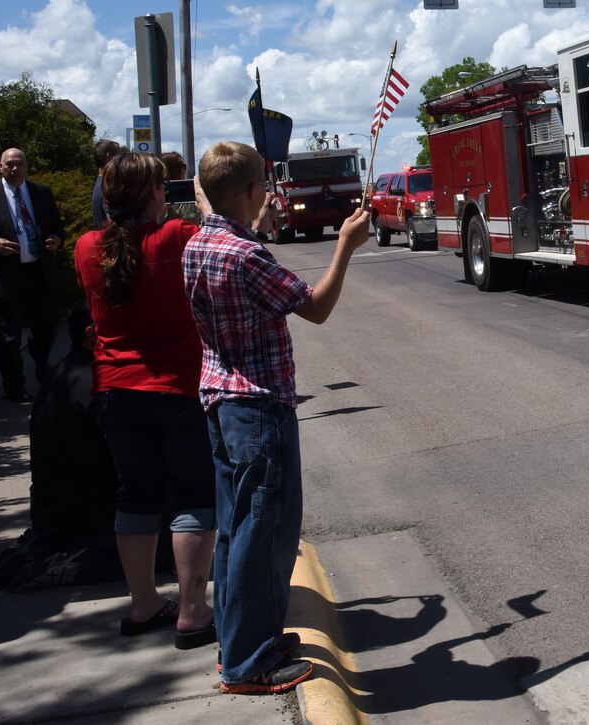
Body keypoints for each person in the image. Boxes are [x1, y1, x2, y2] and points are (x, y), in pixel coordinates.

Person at [183, 141, 369, 695]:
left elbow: (213, 208)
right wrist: (345, 245)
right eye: (262, 184)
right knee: (261, 533)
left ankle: (242, 639)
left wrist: (244, 214)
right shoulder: (245, 256)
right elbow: (316, 306)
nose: (267, 192)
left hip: (219, 400)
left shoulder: (200, 243)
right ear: (247, 192)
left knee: (234, 528)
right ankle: (247, 662)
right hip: (257, 408)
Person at [74, 152, 217, 650]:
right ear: (153, 193)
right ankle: (194, 610)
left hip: (114, 388)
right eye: (162, 185)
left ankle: (143, 603)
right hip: (175, 387)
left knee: (135, 494)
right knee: (195, 494)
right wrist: (202, 201)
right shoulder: (177, 236)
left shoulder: (87, 246)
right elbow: (218, 257)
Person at [0, 301, 124, 592]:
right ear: (92, 333)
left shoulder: (63, 371)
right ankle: (76, 563)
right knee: (164, 542)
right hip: (90, 521)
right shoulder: (98, 382)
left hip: (54, 514)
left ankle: (43, 550)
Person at [0, 148, 65, 403]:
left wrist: (57, 239)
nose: (14, 168)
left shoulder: (41, 193)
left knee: (45, 330)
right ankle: (14, 385)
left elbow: (56, 226)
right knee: (9, 336)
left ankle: (43, 371)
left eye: (19, 164)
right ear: (0, 167)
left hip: (38, 272)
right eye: (9, 164)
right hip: (5, 275)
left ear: (26, 167)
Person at [160, 151, 201, 225]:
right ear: (175, 169)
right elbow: (191, 224)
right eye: (184, 166)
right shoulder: (185, 195)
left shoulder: (156, 193)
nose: (185, 170)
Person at [92, 140, 121, 230]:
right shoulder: (108, 186)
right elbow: (113, 222)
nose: (122, 160)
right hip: (112, 242)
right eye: (119, 156)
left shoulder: (100, 182)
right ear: (109, 157)